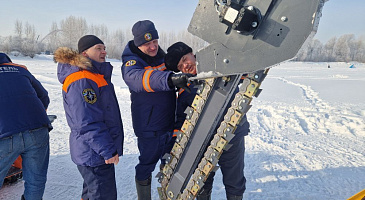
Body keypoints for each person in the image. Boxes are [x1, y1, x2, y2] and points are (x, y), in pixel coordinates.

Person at [165, 42, 250, 200]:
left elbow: (244, 73)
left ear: (192, 53)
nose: (185, 65)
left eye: (185, 59)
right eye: (180, 65)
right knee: (202, 182)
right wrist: (173, 149)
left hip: (232, 135)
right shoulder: (185, 87)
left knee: (234, 180)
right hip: (203, 142)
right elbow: (181, 121)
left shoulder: (219, 64)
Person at [121, 20, 192, 199]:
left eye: (155, 41)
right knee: (146, 164)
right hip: (149, 127)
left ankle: (167, 193)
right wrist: (170, 79)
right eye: (147, 44)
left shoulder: (161, 57)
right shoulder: (131, 63)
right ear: (138, 43)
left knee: (170, 163)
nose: (153, 47)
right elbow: (141, 79)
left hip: (169, 124)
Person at [54, 35, 124, 200]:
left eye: (104, 48)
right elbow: (86, 122)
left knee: (93, 193)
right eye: (98, 48)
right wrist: (107, 150)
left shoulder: (93, 75)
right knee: (102, 195)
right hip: (94, 153)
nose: (104, 52)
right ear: (84, 53)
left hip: (93, 151)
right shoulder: (82, 79)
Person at [0, 53, 51, 200]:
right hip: (37, 128)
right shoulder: (20, 69)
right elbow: (43, 96)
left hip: (4, 134)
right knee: (36, 181)